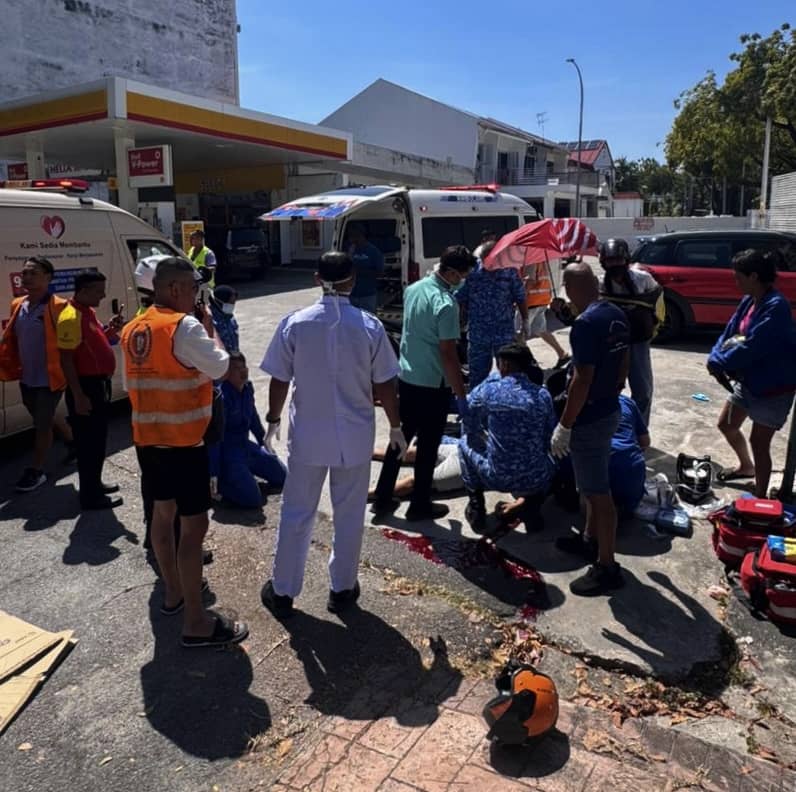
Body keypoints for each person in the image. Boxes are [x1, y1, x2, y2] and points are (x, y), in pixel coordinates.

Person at [259, 251, 405, 618]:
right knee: (349, 514)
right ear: (352, 280)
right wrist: (396, 426)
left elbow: (279, 379)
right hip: (354, 438)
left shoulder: (295, 323)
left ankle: (283, 591)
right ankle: (342, 589)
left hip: (308, 437)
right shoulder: (369, 327)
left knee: (296, 513)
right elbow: (385, 383)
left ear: (316, 279)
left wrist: (273, 420)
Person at [121, 257, 247, 648]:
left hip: (148, 441)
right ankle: (196, 621)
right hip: (184, 443)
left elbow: (129, 384)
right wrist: (213, 335)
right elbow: (220, 367)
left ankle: (173, 592)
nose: (196, 296)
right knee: (193, 529)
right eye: (193, 288)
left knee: (162, 515)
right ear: (174, 288)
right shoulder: (184, 326)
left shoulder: (133, 328)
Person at [372, 245, 475, 521]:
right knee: (428, 447)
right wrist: (460, 394)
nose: (462, 281)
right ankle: (419, 505)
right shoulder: (446, 304)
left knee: (400, 439)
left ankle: (382, 496)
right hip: (432, 384)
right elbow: (448, 355)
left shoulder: (414, 289)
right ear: (451, 273)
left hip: (407, 378)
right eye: (462, 276)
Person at [550, 262, 630, 596]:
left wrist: (565, 424)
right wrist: (615, 388)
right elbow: (624, 360)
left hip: (589, 417)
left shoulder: (584, 324)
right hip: (608, 408)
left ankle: (607, 566)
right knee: (591, 486)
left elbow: (581, 379)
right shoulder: (614, 313)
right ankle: (589, 539)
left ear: (569, 288)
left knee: (598, 494)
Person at [708, 248, 796, 498]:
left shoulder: (776, 307)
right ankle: (747, 467)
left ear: (754, 276)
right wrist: (714, 358)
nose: (735, 282)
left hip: (774, 387)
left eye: (738, 277)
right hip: (748, 381)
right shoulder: (749, 300)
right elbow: (730, 332)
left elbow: (753, 346)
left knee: (759, 442)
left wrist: (721, 363)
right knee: (726, 424)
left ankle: (759, 496)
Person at [460, 343, 556, 533]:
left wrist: (485, 437)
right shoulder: (543, 395)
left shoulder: (490, 390)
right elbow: (548, 437)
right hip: (536, 477)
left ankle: (476, 506)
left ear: (504, 365)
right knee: (553, 457)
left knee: (464, 441)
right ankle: (532, 506)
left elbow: (468, 419)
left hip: (498, 477)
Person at [56, 271, 124, 510]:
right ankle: (90, 496)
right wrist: (79, 395)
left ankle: (94, 483)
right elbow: (66, 360)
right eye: (98, 291)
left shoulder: (87, 311)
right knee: (88, 444)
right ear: (83, 291)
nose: (103, 295)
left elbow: (95, 342)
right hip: (85, 387)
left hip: (97, 385)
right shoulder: (70, 316)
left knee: (97, 440)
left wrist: (111, 331)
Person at [0, 257, 68, 492]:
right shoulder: (18, 304)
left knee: (42, 424)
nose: (27, 277)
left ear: (48, 277)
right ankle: (73, 443)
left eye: (33, 273)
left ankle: (36, 470)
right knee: (44, 417)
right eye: (25, 273)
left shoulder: (60, 307)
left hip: (51, 379)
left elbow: (72, 343)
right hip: (27, 377)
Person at [209, 353, 286, 508]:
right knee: (253, 500)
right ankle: (218, 486)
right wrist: (213, 472)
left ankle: (245, 477)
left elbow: (253, 420)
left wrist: (264, 442)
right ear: (226, 374)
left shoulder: (247, 389)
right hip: (229, 454)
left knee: (283, 477)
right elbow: (215, 440)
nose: (243, 371)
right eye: (236, 368)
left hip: (246, 447)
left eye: (244, 366)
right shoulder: (221, 398)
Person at [599, 238, 661, 424]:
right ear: (604, 262)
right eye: (610, 261)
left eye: (618, 260)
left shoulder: (643, 279)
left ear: (626, 260)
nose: (615, 264)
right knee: (607, 387)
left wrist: (653, 326)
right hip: (611, 341)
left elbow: (658, 304)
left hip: (638, 340)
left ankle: (640, 428)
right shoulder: (600, 283)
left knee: (643, 390)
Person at [456, 241, 527, 389]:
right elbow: (460, 297)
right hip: (478, 334)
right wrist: (460, 320)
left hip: (504, 333)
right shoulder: (472, 273)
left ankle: (508, 400)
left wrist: (525, 320)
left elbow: (520, 296)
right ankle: (478, 401)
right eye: (484, 260)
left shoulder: (509, 271)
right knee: (477, 376)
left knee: (510, 374)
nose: (487, 263)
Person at [520, 259, 571, 368]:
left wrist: (519, 299)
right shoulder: (540, 259)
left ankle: (529, 364)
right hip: (541, 299)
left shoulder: (531, 260)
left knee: (519, 335)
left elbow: (530, 281)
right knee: (541, 330)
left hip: (531, 302)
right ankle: (562, 354)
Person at [347, 224, 385, 313]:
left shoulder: (373, 251)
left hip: (368, 295)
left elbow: (380, 272)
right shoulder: (350, 250)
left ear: (361, 235)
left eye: (353, 236)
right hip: (351, 294)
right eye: (350, 236)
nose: (351, 239)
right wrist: (349, 257)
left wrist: (360, 271)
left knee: (368, 318)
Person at [209, 284, 240, 353]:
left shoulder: (230, 317)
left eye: (234, 303)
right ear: (220, 301)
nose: (232, 305)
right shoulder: (210, 320)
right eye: (230, 303)